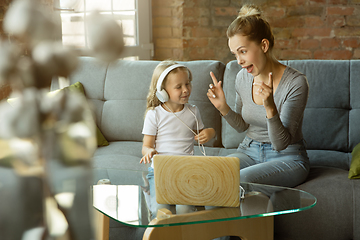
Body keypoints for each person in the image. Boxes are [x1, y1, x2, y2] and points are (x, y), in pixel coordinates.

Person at [207, 4, 310, 188]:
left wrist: (270, 107)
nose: (239, 61)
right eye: (235, 54)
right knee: (211, 175)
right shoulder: (242, 78)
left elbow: (280, 144)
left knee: (239, 181)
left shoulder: (296, 83)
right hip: (249, 150)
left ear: (263, 45)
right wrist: (223, 108)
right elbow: (242, 126)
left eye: (243, 51)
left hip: (287, 157)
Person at [141, 60, 216, 219]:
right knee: (160, 212)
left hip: (186, 171)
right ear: (163, 91)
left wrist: (210, 133)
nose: (185, 90)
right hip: (160, 172)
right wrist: (149, 151)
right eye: (178, 87)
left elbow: (203, 133)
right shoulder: (154, 115)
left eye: (187, 84)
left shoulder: (193, 112)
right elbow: (146, 146)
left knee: (184, 212)